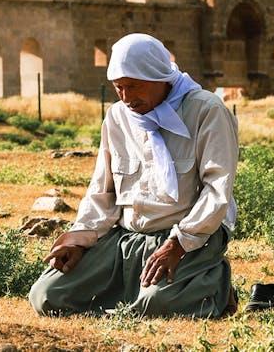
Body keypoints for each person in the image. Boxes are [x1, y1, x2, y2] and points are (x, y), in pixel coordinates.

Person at [29, 33, 238, 318]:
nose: (127, 98)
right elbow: (102, 192)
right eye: (119, 88)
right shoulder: (117, 117)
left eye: (134, 87)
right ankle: (153, 290)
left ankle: (217, 285)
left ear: (160, 77)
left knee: (156, 307)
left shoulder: (207, 110)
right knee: (46, 296)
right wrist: (81, 240)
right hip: (128, 238)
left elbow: (217, 190)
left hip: (188, 238)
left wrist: (178, 244)